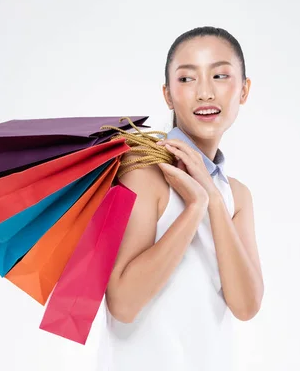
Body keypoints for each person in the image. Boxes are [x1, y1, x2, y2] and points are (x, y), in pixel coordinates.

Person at [96, 26, 264, 370]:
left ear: (244, 90)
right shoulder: (143, 174)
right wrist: (194, 208)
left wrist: (213, 200)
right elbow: (123, 304)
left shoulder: (237, 195)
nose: (205, 92)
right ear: (168, 94)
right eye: (187, 79)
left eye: (220, 75)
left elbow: (246, 306)